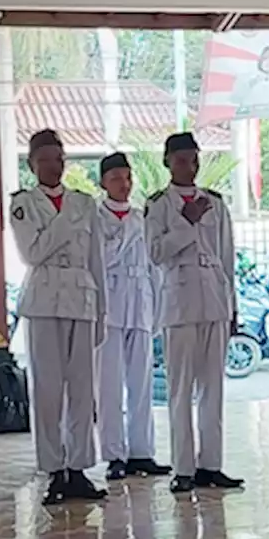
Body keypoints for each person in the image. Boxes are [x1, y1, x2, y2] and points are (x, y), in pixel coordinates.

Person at [10, 129, 107, 505]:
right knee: (48, 389)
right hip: (45, 299)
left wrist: (102, 307)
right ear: (33, 164)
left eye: (60, 158)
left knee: (82, 390)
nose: (55, 166)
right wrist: (65, 222)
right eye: (46, 159)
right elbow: (32, 252)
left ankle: (80, 466)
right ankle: (53, 468)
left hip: (81, 298)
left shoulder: (85, 203)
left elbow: (96, 259)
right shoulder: (24, 204)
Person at [145, 132, 241, 495]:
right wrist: (185, 221)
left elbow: (226, 256)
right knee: (180, 389)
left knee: (213, 387)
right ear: (168, 161)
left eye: (195, 158)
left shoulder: (215, 202)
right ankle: (183, 468)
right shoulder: (158, 205)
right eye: (183, 159)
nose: (191, 165)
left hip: (214, 300)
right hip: (179, 303)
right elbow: (155, 253)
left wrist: (233, 306)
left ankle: (211, 464)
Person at [95, 151, 167, 481]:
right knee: (109, 385)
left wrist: (157, 310)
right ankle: (114, 453)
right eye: (115, 179)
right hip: (109, 305)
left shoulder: (143, 218)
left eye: (126, 178)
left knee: (142, 382)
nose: (122, 185)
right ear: (103, 183)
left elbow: (155, 268)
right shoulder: (95, 218)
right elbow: (100, 259)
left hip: (140, 304)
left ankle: (142, 451)